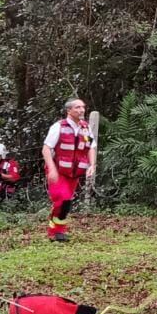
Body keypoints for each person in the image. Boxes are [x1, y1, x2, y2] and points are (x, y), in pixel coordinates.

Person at [41, 98, 97, 242]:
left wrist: (92, 165)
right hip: (58, 171)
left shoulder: (86, 128)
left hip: (74, 172)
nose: (81, 110)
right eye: (77, 107)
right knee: (63, 199)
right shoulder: (58, 127)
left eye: (83, 107)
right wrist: (52, 169)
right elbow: (46, 149)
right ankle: (56, 231)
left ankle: (57, 231)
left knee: (65, 202)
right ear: (69, 111)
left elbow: (90, 147)